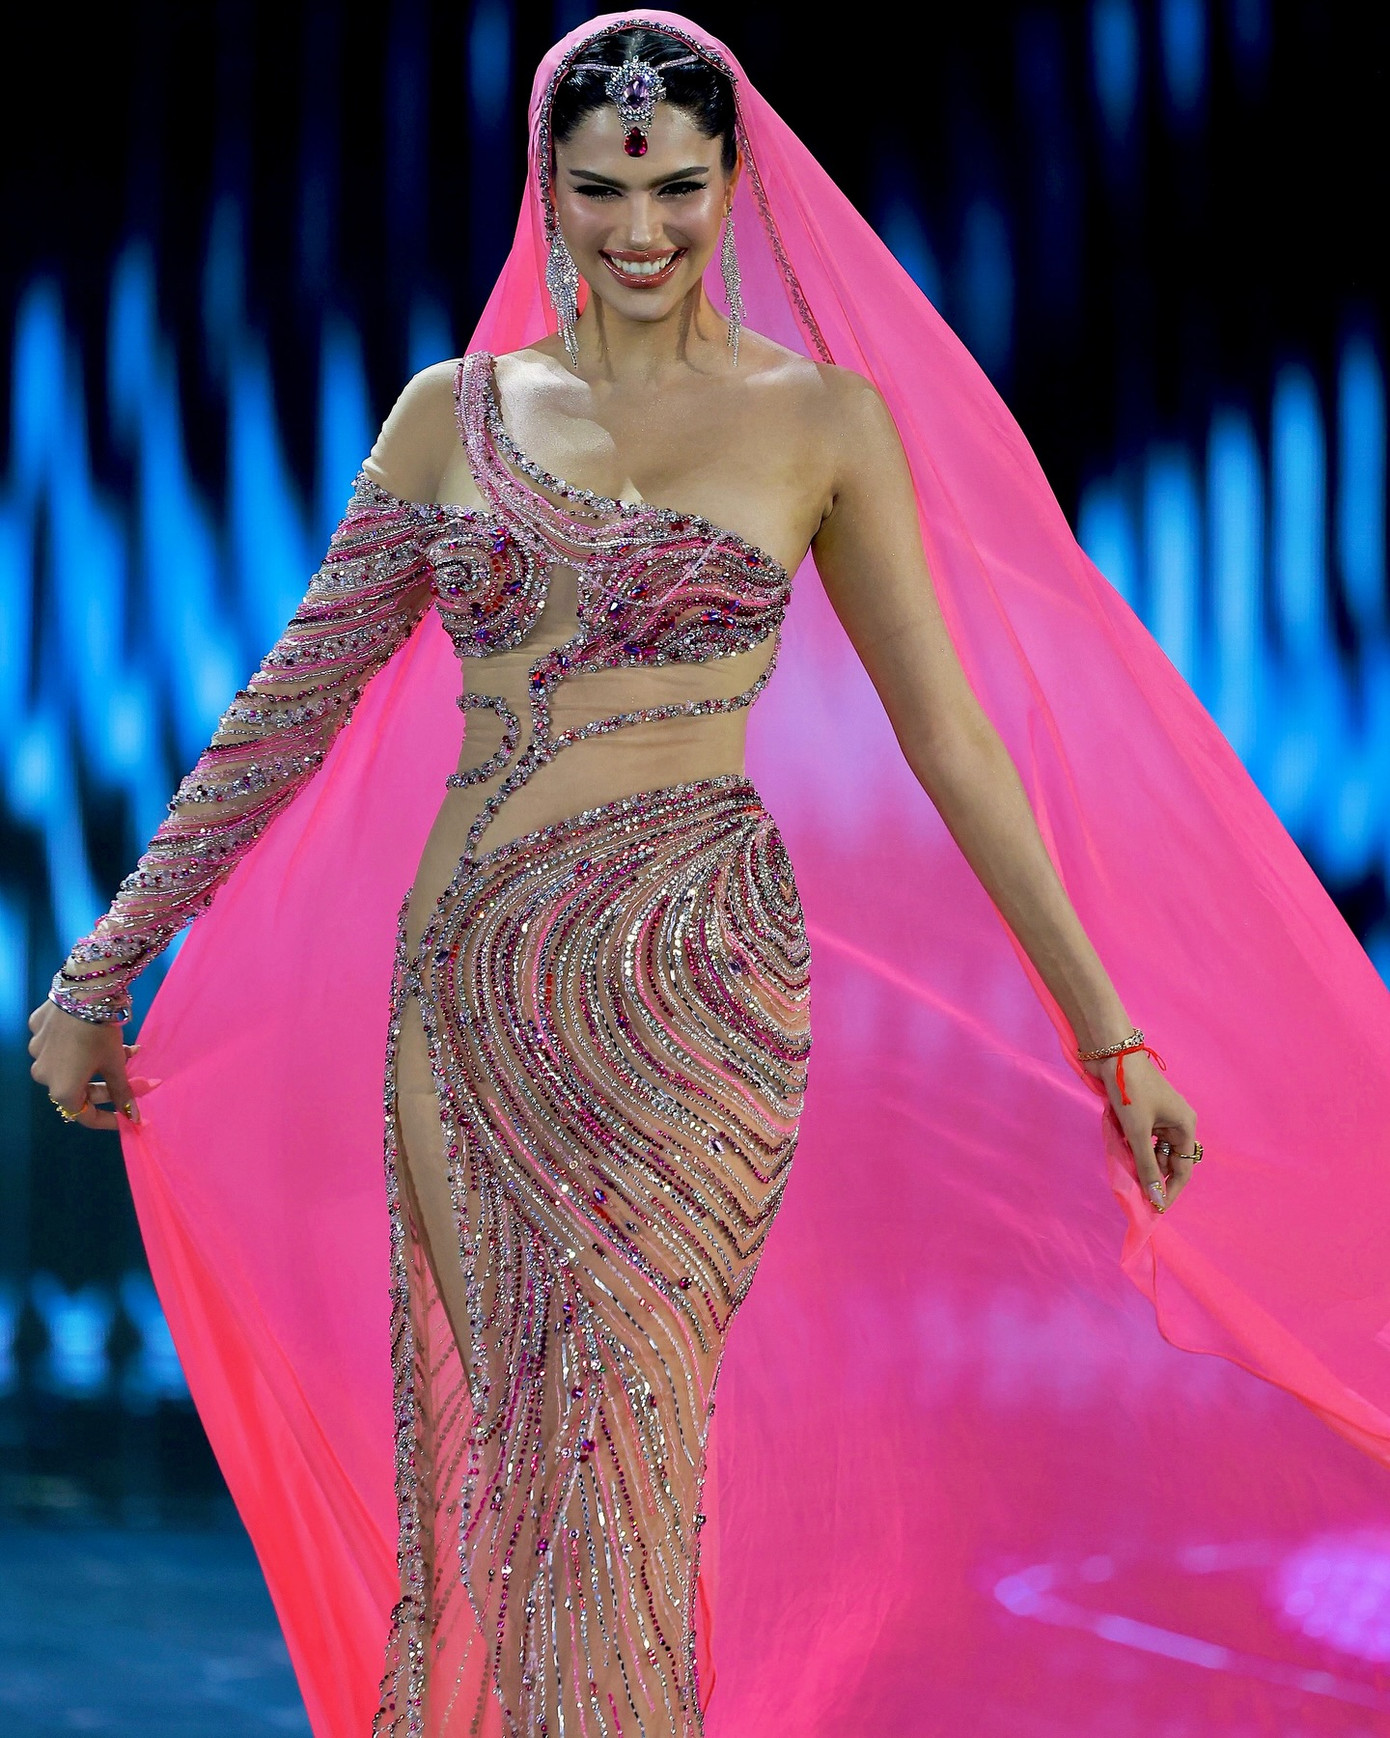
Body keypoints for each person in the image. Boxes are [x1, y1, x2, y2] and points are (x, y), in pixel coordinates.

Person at [26, 12, 1390, 1738]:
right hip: (471, 995)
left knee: (631, 1431)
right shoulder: (454, 415)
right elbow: (284, 710)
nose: (641, 227)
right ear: (546, 187)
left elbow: (951, 742)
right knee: (528, 1448)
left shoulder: (818, 420)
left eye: (675, 184)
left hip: (696, 989)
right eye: (601, 189)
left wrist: (1107, 1030)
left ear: (735, 179)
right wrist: (103, 966)